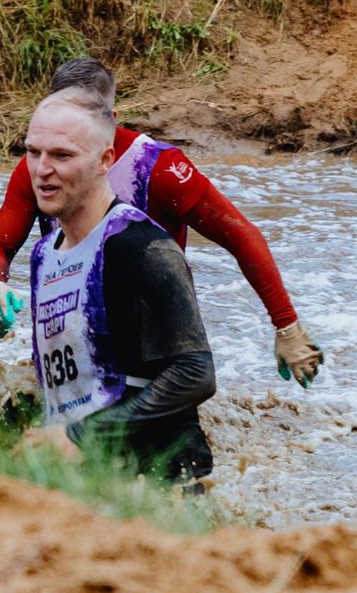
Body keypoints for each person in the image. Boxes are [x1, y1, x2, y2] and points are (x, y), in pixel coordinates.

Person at [0, 58, 325, 387]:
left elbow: (240, 235)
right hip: (70, 334)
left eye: (69, 144)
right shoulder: (39, 168)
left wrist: (286, 325)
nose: (46, 162)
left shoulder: (159, 168)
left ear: (109, 120)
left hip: (151, 342)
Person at [20, 90, 218, 483]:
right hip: (84, 477)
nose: (42, 169)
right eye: (32, 152)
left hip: (158, 483)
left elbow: (196, 373)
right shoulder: (44, 254)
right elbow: (68, 380)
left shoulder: (141, 247)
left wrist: (83, 435)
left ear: (105, 161)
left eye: (62, 155)